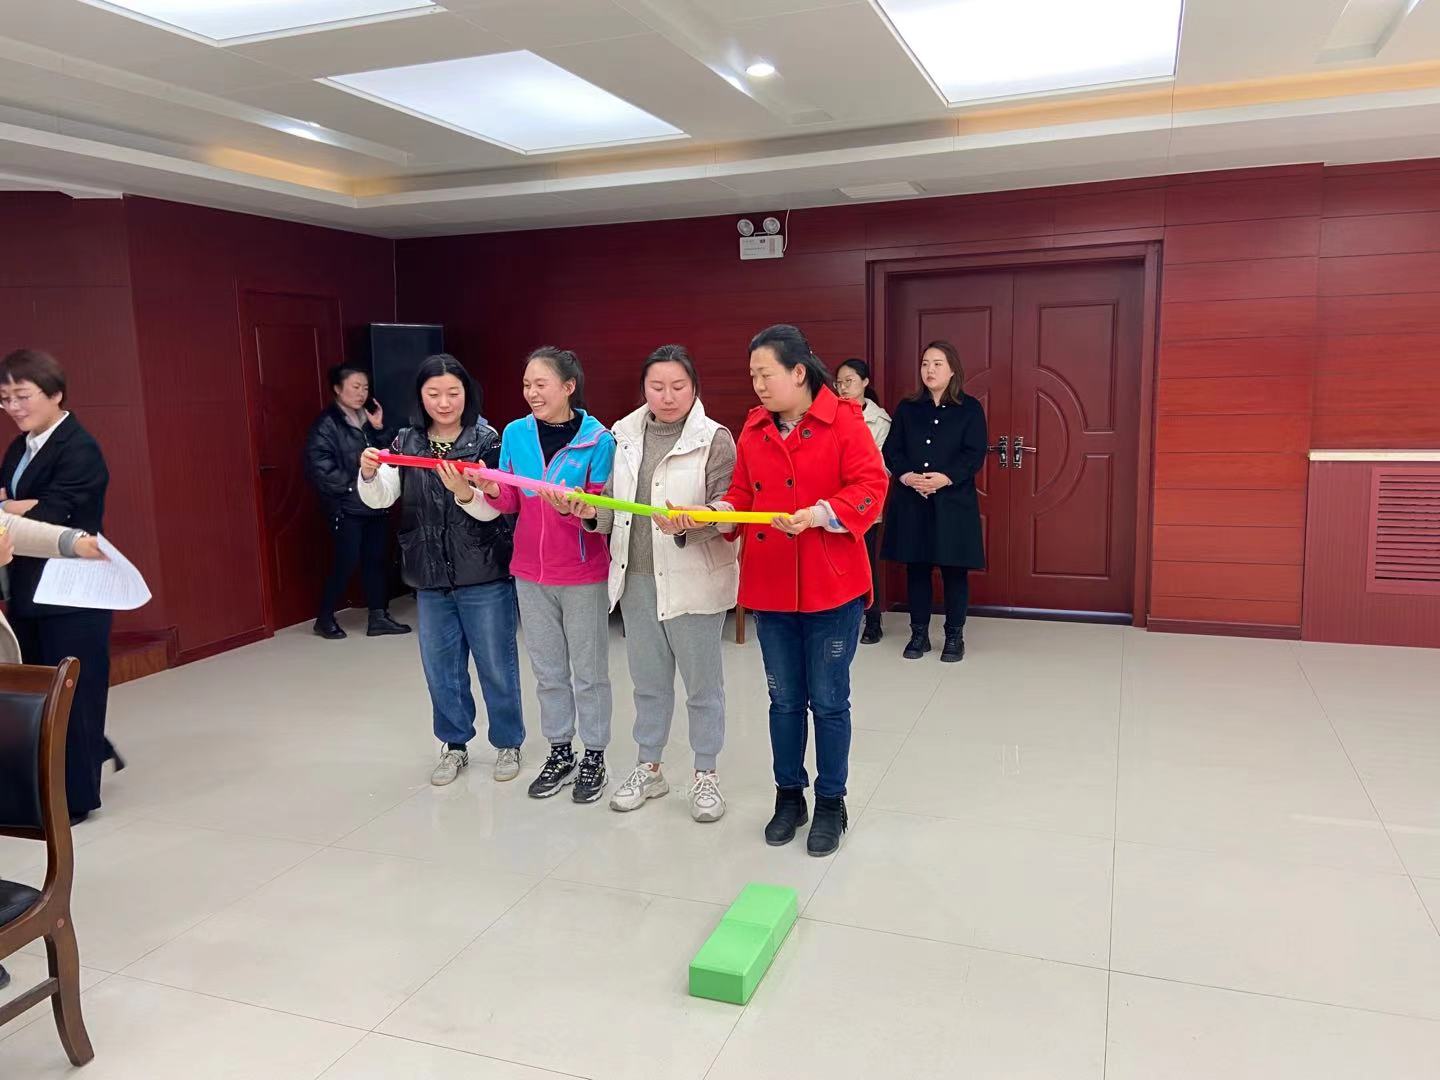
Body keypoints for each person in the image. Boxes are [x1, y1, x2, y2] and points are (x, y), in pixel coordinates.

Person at [691, 325, 887, 857]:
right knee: (783, 700)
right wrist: (714, 512)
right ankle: (789, 796)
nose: (757, 385)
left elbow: (871, 487)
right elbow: (740, 494)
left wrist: (820, 514)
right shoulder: (754, 428)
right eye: (752, 376)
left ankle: (831, 802)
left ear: (798, 372)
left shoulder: (844, 420)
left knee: (828, 701)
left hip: (832, 587)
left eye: (766, 374)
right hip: (772, 585)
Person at [565, 345, 738, 822]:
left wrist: (695, 521)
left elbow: (730, 511)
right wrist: (589, 511)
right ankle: (650, 767)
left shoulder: (714, 439)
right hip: (636, 578)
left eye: (678, 386)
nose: (667, 396)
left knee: (703, 687)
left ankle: (706, 774)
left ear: (695, 387)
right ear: (643, 388)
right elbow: (614, 506)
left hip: (693, 580)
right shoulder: (623, 435)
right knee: (648, 683)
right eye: (657, 386)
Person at [357, 354, 524, 787]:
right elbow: (381, 498)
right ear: (420, 396)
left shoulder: (488, 440)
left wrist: (464, 492)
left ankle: (508, 742)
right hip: (428, 575)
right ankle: (454, 745)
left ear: (467, 394)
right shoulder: (405, 442)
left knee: (497, 665)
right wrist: (369, 474)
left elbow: (496, 510)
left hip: (484, 572)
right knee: (441, 669)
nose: (444, 403)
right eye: (434, 394)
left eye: (453, 393)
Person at [472, 347, 616, 805]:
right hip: (530, 573)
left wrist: (575, 509)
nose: (532, 393)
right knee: (549, 671)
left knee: (589, 672)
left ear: (568, 387)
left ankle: (595, 755)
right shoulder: (515, 433)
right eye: (527, 385)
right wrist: (490, 488)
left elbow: (603, 511)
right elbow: (510, 500)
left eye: (541, 384)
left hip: (582, 573)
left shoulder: (599, 440)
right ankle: (560, 750)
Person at [0, 349, 121, 822]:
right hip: (28, 587)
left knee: (73, 693)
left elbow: (55, 514)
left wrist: (14, 508)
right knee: (40, 693)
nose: (13, 407)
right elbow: (14, 504)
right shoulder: (21, 446)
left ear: (55, 394)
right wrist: (18, 505)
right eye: (5, 398)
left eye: (22, 395)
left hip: (73, 591)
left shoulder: (79, 447)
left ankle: (75, 799)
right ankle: (74, 765)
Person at [881, 339, 987, 663]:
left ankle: (954, 636)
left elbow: (974, 453)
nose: (930, 370)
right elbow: (892, 450)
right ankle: (919, 634)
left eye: (937, 364)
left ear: (953, 369)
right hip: (913, 500)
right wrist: (906, 476)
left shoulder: (969, 408)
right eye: (925, 363)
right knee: (917, 568)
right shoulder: (908, 408)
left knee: (954, 570)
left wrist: (946, 478)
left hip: (953, 502)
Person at [305, 364, 410, 640]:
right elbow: (320, 467)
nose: (361, 393)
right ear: (337, 389)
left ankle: (379, 616)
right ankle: (324, 617)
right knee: (346, 561)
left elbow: (389, 454)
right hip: (347, 506)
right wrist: (355, 486)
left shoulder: (368, 418)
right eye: (355, 387)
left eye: (365, 387)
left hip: (376, 504)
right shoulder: (326, 424)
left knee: (377, 560)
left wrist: (379, 428)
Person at [835, 358, 892, 645]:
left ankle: (873, 620)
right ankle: (843, 616)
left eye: (850, 381)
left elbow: (878, 465)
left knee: (865, 561)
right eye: (839, 383)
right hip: (833, 501)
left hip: (864, 503)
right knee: (837, 561)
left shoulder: (879, 421)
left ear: (865, 382)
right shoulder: (831, 414)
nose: (843, 388)